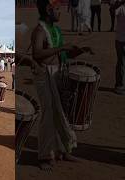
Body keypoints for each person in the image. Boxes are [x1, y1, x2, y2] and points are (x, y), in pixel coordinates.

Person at [32, 0, 93, 172]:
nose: (60, 12)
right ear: (48, 10)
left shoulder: (56, 30)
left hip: (57, 72)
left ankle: (63, 150)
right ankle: (44, 155)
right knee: (49, 114)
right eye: (57, 9)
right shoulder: (39, 31)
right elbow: (37, 54)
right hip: (44, 75)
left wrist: (81, 50)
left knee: (61, 113)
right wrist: (60, 49)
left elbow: (64, 52)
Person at [113, 0, 125, 95]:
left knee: (121, 62)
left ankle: (119, 85)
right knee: (121, 63)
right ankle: (120, 85)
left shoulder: (120, 9)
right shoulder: (121, 9)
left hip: (119, 40)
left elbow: (113, 10)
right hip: (121, 41)